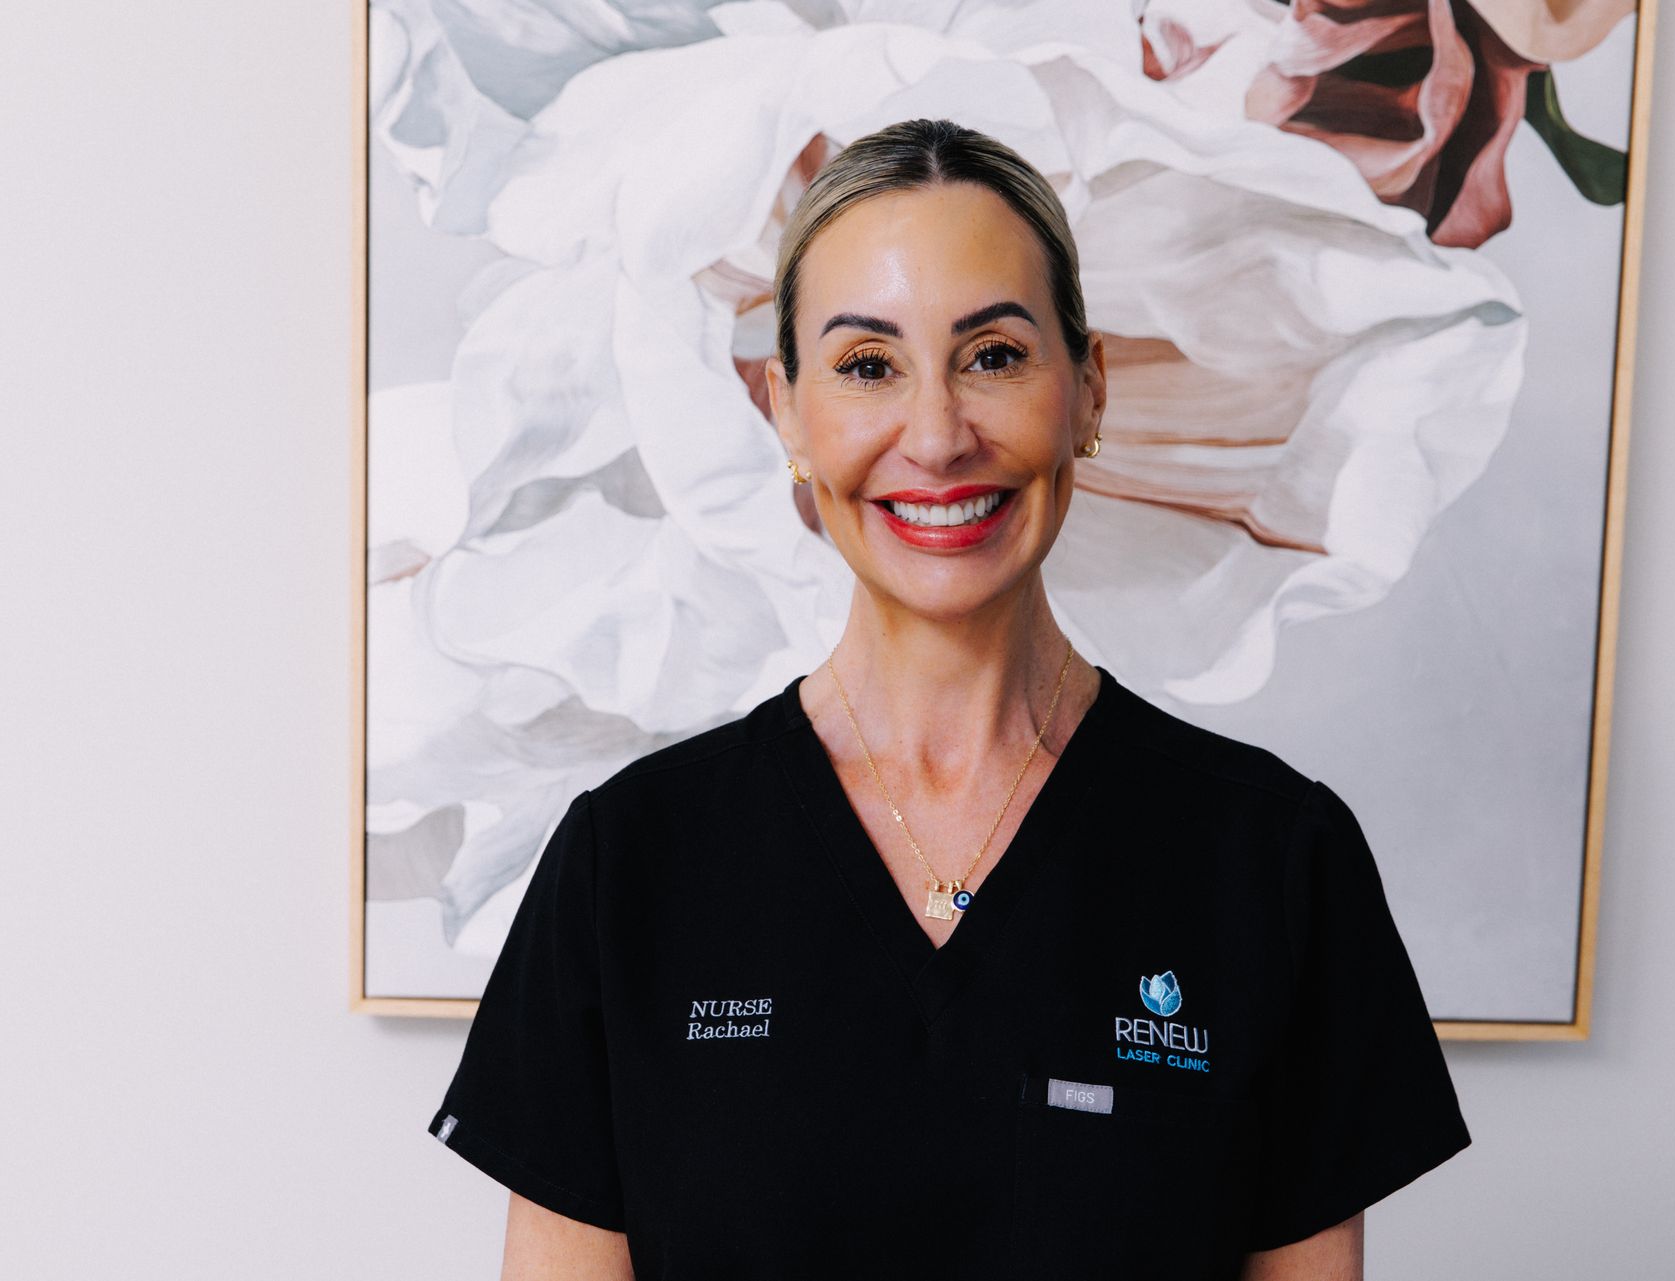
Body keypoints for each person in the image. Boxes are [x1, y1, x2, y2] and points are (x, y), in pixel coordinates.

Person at [426, 116, 1470, 1280]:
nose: (935, 437)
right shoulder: (630, 865)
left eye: (994, 356)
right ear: (787, 412)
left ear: (1088, 389)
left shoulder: (1274, 861)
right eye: (869, 366)